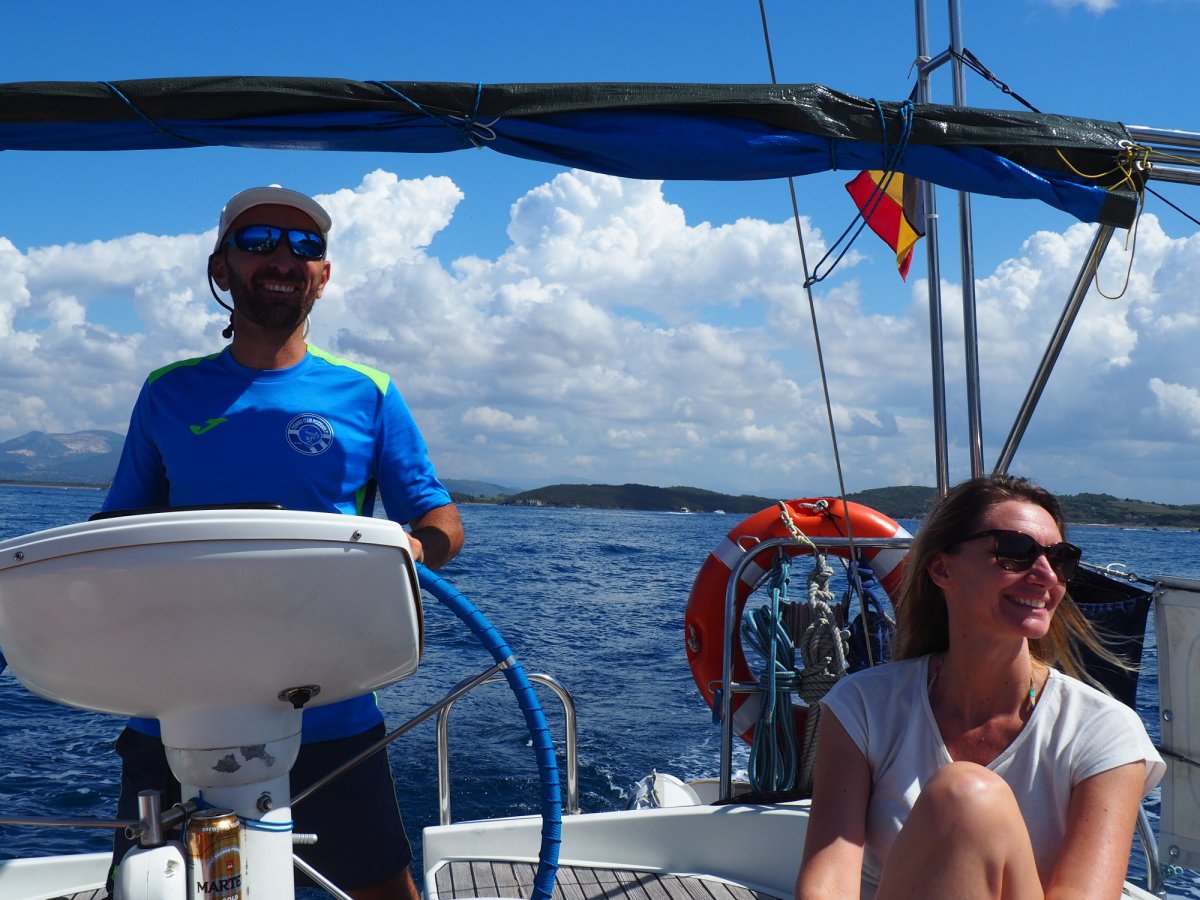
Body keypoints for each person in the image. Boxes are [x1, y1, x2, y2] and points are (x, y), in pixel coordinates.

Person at [102, 185, 463, 900]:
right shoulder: (167, 393)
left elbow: (441, 518)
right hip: (174, 706)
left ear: (324, 276)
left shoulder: (370, 393)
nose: (283, 258)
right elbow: (116, 527)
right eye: (258, 239)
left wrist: (413, 550)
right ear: (220, 266)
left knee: (381, 889)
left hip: (329, 704)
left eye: (306, 246)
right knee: (145, 885)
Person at [796, 474, 1164, 900]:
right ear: (942, 568)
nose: (1045, 574)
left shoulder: (1104, 731)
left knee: (966, 797)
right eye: (1014, 551)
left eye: (1060, 558)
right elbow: (826, 884)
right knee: (964, 797)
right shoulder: (862, 706)